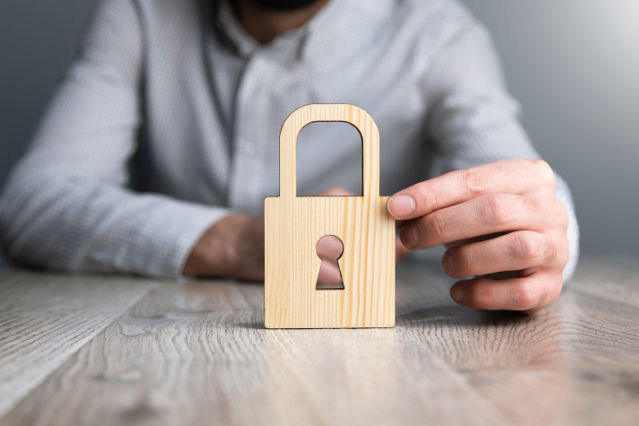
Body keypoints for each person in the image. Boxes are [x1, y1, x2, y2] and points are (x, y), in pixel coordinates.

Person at [0, 0, 578, 312]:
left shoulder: (436, 31)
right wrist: (248, 240)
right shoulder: (140, 12)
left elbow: (525, 187)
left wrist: (541, 238)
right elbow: (35, 201)